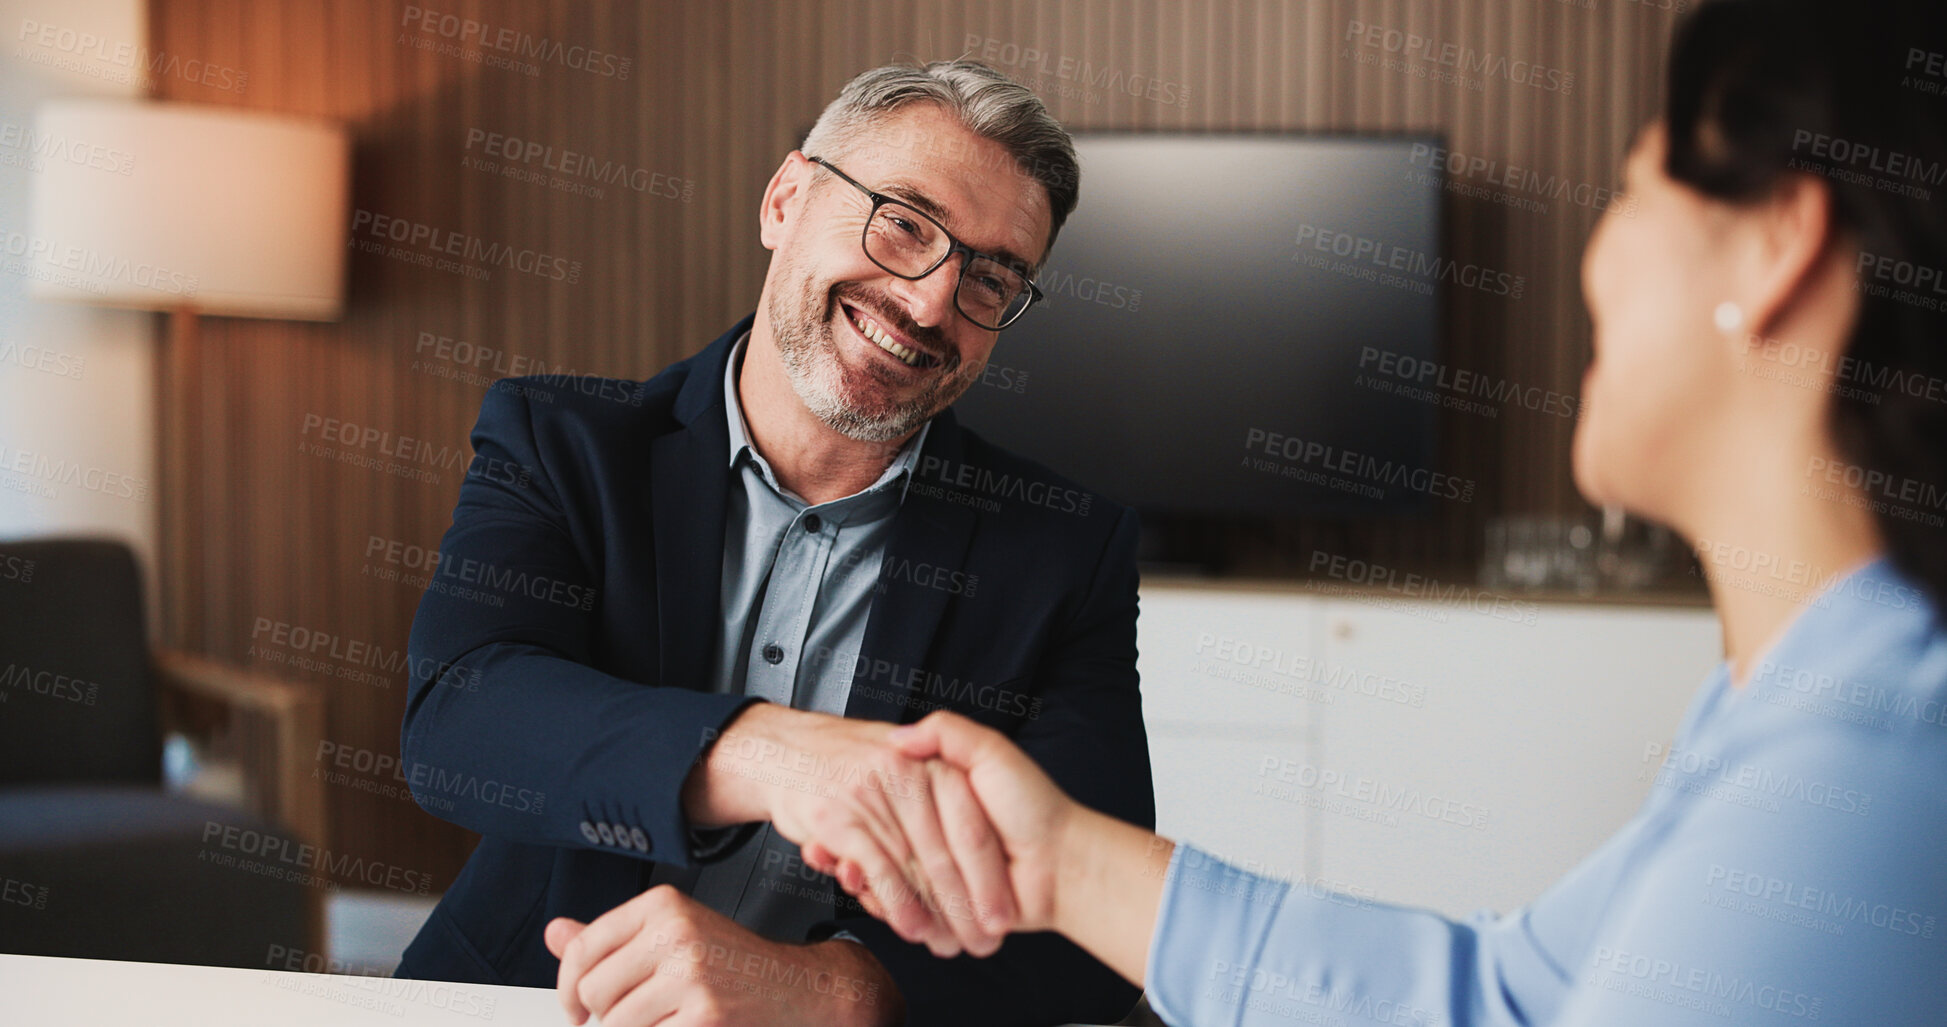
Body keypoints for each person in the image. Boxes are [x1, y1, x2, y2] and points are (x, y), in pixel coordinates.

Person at [806, 1, 1947, 1023]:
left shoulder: (1864, 783)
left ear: (1779, 244)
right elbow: (1503, 994)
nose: (1596, 254)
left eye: (1637, 189)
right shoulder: (1804, 718)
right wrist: (1056, 859)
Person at [392, 61, 1153, 1027]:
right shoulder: (561, 441)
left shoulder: (1064, 549)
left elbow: (1105, 923)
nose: (930, 303)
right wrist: (788, 758)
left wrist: (836, 988)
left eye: (991, 276)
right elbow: (460, 713)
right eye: (903, 223)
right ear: (785, 200)